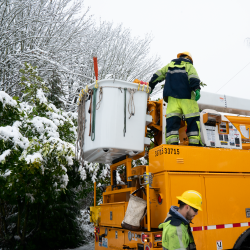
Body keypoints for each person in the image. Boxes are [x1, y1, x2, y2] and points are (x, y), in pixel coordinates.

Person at [149, 52, 202, 146]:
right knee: (192, 119)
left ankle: (172, 144)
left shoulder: (169, 65)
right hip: (187, 97)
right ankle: (194, 143)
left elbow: (158, 75)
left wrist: (151, 85)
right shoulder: (188, 65)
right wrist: (197, 89)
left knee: (172, 121)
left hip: (172, 98)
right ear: (189, 59)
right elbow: (193, 77)